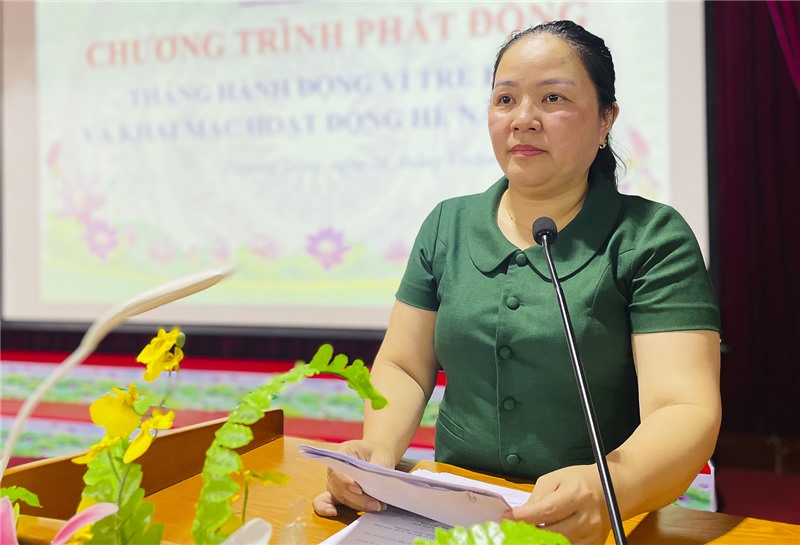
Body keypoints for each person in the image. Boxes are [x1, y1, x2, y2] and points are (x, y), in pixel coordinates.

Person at [312, 20, 721, 545]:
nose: (523, 119)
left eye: (553, 98)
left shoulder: (651, 236)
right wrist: (378, 452)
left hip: (598, 519)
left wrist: (611, 489)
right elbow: (404, 366)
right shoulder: (447, 224)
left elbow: (682, 406)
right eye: (505, 99)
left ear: (606, 120)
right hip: (452, 513)